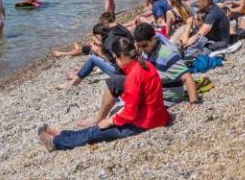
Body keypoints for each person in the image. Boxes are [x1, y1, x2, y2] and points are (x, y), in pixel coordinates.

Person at [37, 37, 170, 151]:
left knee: (95, 132)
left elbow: (130, 113)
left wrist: (111, 121)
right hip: (158, 116)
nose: (116, 61)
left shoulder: (133, 77)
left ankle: (55, 143)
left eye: (116, 58)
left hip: (145, 124)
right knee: (97, 128)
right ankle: (63, 134)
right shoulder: (146, 64)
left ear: (122, 56)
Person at [59, 12, 132, 89]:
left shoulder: (109, 42)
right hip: (129, 67)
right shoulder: (118, 30)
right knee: (94, 52)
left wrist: (100, 53)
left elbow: (118, 63)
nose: (95, 39)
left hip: (122, 73)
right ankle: (78, 73)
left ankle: (72, 83)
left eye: (96, 37)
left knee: (92, 59)